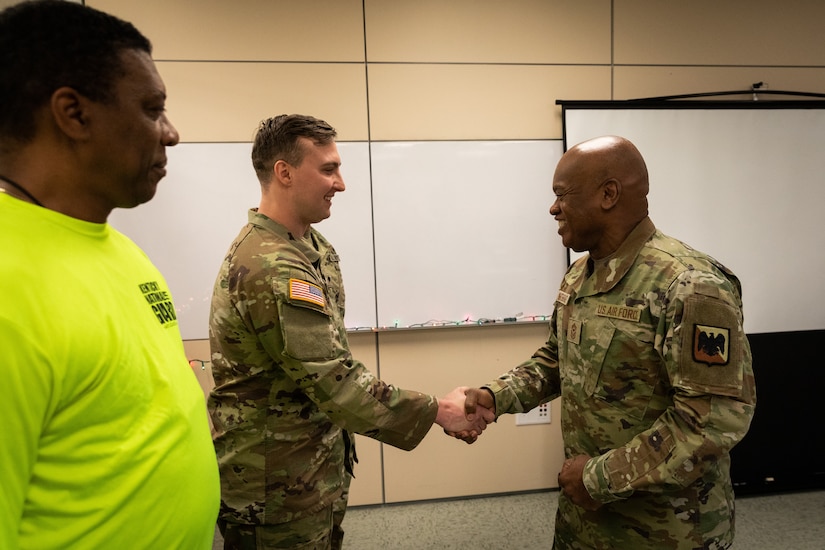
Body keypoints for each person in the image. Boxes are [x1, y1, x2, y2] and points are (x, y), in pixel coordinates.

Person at [208, 113, 493, 550]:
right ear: (284, 173)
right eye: (328, 169)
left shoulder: (311, 247)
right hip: (273, 485)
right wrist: (438, 410)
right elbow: (335, 383)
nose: (340, 183)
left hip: (312, 466)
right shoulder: (271, 264)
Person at [457, 135, 756, 549]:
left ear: (609, 194)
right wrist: (496, 396)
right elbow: (555, 360)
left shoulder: (690, 285)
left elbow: (712, 419)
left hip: (667, 530)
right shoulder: (581, 274)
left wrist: (600, 477)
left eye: (562, 195)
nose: (553, 208)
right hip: (586, 520)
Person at [0, 1, 219, 548]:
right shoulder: (8, 286)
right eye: (152, 109)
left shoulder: (120, 248)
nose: (170, 134)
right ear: (73, 114)